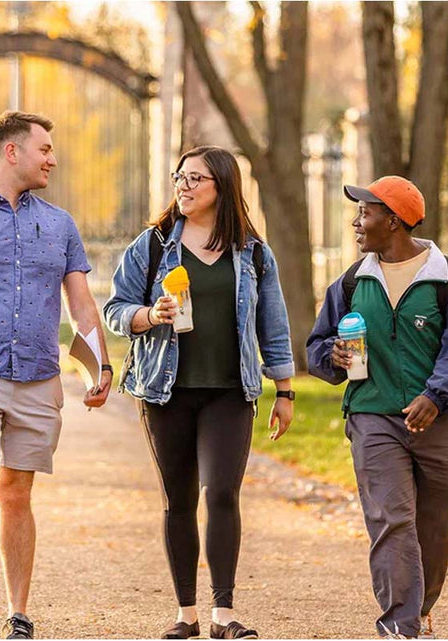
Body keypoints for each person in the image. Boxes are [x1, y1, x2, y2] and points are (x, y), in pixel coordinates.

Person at [103, 146, 295, 639]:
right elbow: (116, 308)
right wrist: (147, 316)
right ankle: (186, 614)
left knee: (224, 492)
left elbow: (272, 323)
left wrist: (285, 390)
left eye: (195, 179)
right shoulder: (152, 245)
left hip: (231, 391)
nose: (183, 186)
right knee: (179, 498)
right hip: (165, 392)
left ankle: (223, 614)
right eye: (179, 177)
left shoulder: (253, 251)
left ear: (221, 187)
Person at [0, 111, 112, 639]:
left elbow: (82, 305)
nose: (53, 159)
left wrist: (99, 364)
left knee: (17, 492)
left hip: (38, 374)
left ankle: (18, 613)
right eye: (44, 149)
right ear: (11, 152)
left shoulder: (60, 224)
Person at [307, 175, 448, 639]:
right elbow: (317, 346)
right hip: (372, 415)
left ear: (393, 220)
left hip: (437, 421)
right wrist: (333, 356)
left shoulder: (442, 280)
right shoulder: (351, 282)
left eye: (365, 213)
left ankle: (421, 606)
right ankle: (401, 625)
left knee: (435, 522)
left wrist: (435, 394)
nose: (356, 222)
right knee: (392, 518)